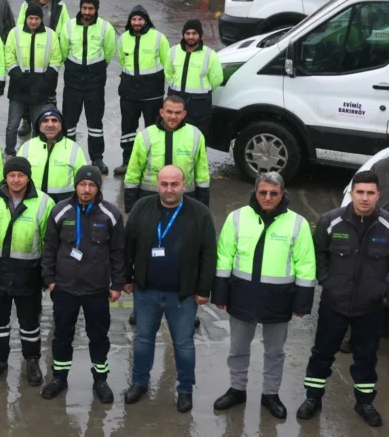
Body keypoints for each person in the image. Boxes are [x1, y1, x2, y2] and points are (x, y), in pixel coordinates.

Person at [212, 172, 314, 420]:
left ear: (283, 194)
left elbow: (306, 264)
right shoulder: (236, 218)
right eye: (263, 192)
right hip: (241, 295)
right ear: (255, 193)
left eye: (274, 193)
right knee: (238, 347)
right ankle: (237, 389)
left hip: (279, 297)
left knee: (275, 351)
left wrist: (302, 300)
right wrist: (221, 292)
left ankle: (271, 393)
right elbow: (224, 256)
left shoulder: (298, 224)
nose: (268, 198)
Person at [298, 170, 389, 427]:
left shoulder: (387, 226)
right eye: (360, 192)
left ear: (378, 195)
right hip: (334, 305)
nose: (365, 198)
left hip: (370, 308)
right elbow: (317, 253)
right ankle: (313, 398)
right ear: (352, 194)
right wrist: (327, 281)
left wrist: (382, 289)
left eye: (370, 193)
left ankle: (364, 402)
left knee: (366, 359)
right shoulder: (330, 221)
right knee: (321, 354)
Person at [122, 166, 216, 413]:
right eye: (164, 184)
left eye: (174, 184)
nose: (169, 189)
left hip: (182, 295)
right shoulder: (142, 207)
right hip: (146, 291)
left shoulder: (200, 213)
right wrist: (126, 278)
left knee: (183, 344)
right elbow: (128, 245)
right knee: (143, 340)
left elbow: (209, 254)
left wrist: (203, 289)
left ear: (184, 185)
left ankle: (185, 389)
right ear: (157, 184)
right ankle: (139, 382)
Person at [40, 166, 125, 403]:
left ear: (98, 188)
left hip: (96, 290)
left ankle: (100, 379)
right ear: (75, 185)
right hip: (65, 288)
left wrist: (117, 284)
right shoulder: (60, 211)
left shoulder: (111, 215)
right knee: (61, 335)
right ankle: (59, 377)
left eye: (91, 185)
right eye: (82, 184)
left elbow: (118, 253)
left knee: (98, 336)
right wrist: (49, 280)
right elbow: (49, 248)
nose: (86, 189)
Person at [0, 157, 54, 385]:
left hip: (28, 275)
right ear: (5, 177)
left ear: (28, 177)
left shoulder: (44, 203)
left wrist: (45, 275)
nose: (16, 180)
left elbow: (48, 243)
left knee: (30, 323)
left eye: (20, 175)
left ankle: (31, 361)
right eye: (11, 175)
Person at [123, 95, 210, 213]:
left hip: (185, 198)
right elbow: (134, 171)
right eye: (169, 112)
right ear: (162, 112)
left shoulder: (196, 135)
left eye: (178, 113)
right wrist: (131, 207)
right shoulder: (146, 135)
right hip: (150, 198)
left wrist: (203, 207)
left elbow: (202, 173)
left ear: (184, 114)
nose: (173, 116)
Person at [61, 0, 116, 174]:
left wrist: (97, 68)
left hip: (95, 80)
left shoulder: (105, 28)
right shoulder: (68, 26)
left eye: (90, 9)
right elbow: (63, 50)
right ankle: (67, 155)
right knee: (69, 120)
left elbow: (108, 53)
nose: (86, 12)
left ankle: (97, 158)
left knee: (95, 121)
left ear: (96, 9)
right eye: (84, 8)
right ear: (80, 7)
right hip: (73, 79)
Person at [115, 5, 170, 176]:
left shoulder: (158, 38)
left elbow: (166, 62)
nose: (137, 23)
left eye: (140, 19)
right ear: (130, 21)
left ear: (146, 20)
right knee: (128, 129)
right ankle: (128, 161)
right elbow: (122, 61)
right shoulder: (123, 39)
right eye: (134, 19)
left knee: (153, 129)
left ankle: (154, 162)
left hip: (152, 94)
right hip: (129, 93)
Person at [5, 3, 64, 154]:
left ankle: (36, 152)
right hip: (18, 87)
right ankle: (10, 152)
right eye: (30, 18)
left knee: (38, 123)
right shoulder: (15, 33)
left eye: (36, 18)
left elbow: (56, 59)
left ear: (41, 19)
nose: (33, 21)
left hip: (40, 88)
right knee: (13, 124)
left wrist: (45, 81)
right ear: (26, 18)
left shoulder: (50, 35)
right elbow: (8, 57)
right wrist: (19, 77)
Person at [16, 106, 89, 203]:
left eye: (54, 120)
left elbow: (84, 181)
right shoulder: (27, 147)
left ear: (61, 125)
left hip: (64, 206)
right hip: (31, 204)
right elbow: (16, 177)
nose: (50, 124)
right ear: (39, 125)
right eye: (45, 120)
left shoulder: (74, 149)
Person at [166, 19, 222, 137]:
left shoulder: (209, 54)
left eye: (194, 33)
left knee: (198, 137)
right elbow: (169, 73)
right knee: (174, 136)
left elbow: (216, 79)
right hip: (176, 100)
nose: (191, 36)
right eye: (188, 33)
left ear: (200, 35)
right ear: (183, 34)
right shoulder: (173, 51)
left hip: (199, 105)